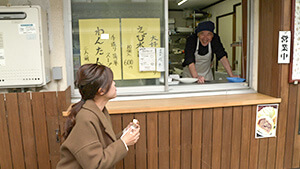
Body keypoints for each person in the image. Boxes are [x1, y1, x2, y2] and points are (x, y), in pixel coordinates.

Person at [56, 64, 140, 169]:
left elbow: (101, 146)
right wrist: (124, 143)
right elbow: (96, 165)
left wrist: (124, 135)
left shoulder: (99, 110)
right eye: (111, 82)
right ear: (101, 91)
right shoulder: (86, 118)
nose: (114, 83)